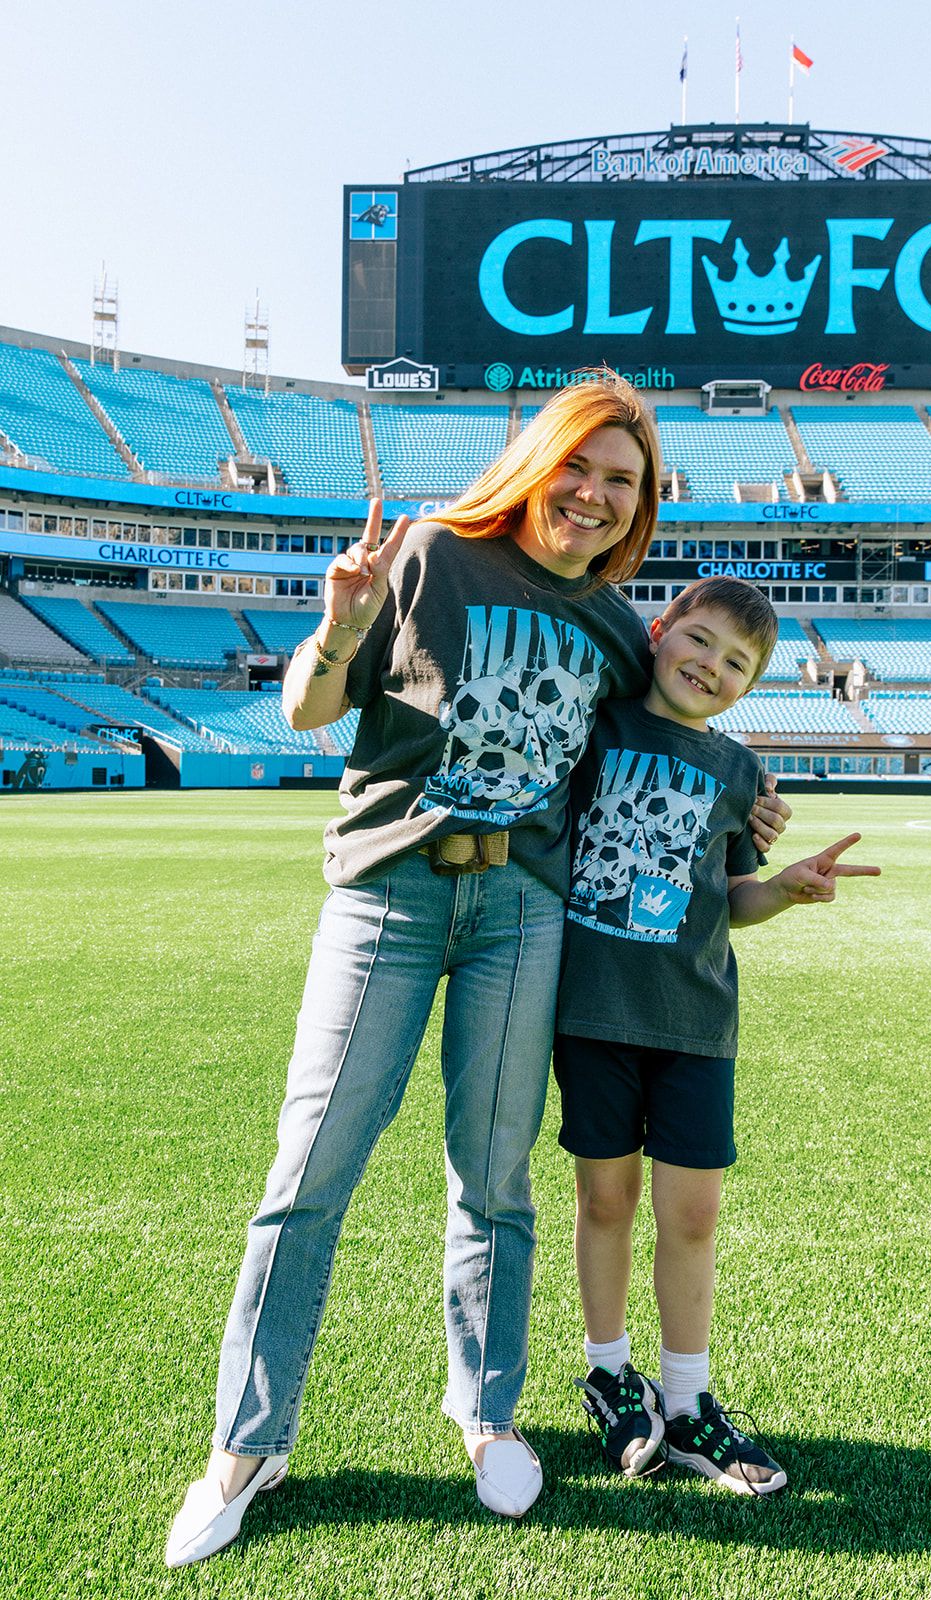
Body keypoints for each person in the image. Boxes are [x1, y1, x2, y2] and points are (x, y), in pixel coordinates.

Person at [166, 376, 791, 1568]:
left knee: (494, 1179)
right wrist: (341, 620)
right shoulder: (432, 554)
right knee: (310, 1166)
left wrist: (747, 807)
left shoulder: (617, 627)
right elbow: (308, 711)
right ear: (541, 460)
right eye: (583, 468)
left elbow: (662, 743)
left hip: (523, 908)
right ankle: (246, 1446)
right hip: (390, 895)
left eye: (624, 483)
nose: (598, 497)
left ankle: (487, 1412)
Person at [553, 576, 879, 1494]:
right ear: (659, 634)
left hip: (695, 1021)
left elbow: (726, 899)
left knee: (691, 1215)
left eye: (737, 662)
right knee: (606, 1203)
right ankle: (611, 1376)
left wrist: (781, 890)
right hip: (592, 1014)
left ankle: (689, 1402)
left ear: (750, 684)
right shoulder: (597, 728)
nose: (711, 665)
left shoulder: (739, 773)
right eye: (698, 641)